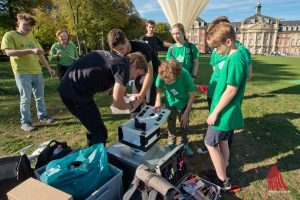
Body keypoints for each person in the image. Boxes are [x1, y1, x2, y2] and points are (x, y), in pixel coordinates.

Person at [58, 51, 147, 146]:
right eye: (137, 74)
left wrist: (125, 95)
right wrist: (132, 105)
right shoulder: (124, 68)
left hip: (69, 87)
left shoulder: (117, 59)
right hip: (75, 93)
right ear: (133, 66)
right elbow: (117, 104)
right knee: (100, 132)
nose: (134, 78)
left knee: (92, 126)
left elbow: (101, 79)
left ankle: (91, 154)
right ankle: (97, 159)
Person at [203, 20, 248, 190]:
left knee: (210, 143)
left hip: (224, 113)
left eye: (217, 47)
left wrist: (214, 112)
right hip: (226, 112)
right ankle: (223, 168)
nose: (215, 51)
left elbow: (231, 91)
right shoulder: (233, 56)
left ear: (228, 42)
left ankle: (222, 180)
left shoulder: (236, 59)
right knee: (223, 142)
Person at [197, 16, 252, 154]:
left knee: (224, 127)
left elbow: (239, 82)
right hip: (216, 92)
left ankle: (219, 150)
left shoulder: (238, 55)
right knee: (215, 123)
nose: (215, 50)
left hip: (226, 97)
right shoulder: (219, 51)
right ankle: (217, 147)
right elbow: (215, 69)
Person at [1, 13, 55, 132]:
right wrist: (30, 50)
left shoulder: (32, 37)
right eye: (26, 25)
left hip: (37, 71)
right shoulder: (9, 35)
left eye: (30, 26)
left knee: (40, 97)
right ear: (18, 22)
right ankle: (25, 122)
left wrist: (49, 68)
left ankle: (43, 116)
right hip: (22, 73)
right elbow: (9, 52)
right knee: (26, 98)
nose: (28, 28)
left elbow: (40, 54)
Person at [108, 28, 160, 116]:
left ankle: (153, 129)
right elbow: (121, 74)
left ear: (126, 40)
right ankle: (134, 126)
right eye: (116, 51)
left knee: (149, 101)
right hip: (138, 75)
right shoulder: (121, 52)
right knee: (133, 100)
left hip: (152, 72)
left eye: (121, 49)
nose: (120, 53)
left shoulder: (142, 47)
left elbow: (149, 73)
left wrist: (142, 94)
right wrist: (122, 90)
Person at [153, 60, 195, 156]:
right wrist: (158, 100)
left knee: (184, 123)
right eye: (165, 82)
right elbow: (158, 88)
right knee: (170, 122)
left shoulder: (185, 75)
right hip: (170, 102)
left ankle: (184, 143)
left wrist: (185, 113)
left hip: (184, 102)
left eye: (170, 81)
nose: (167, 84)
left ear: (177, 76)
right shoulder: (162, 74)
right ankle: (171, 143)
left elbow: (192, 95)